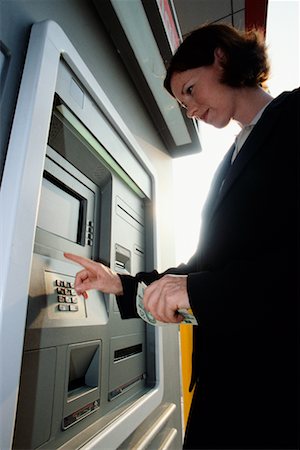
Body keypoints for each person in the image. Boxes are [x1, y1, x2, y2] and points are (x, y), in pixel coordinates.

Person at [65, 23, 299, 449]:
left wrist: (202, 290)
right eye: (180, 102)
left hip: (275, 390)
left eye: (189, 89)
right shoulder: (230, 161)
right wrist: (119, 283)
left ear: (221, 58)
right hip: (227, 385)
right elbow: (203, 268)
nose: (188, 108)